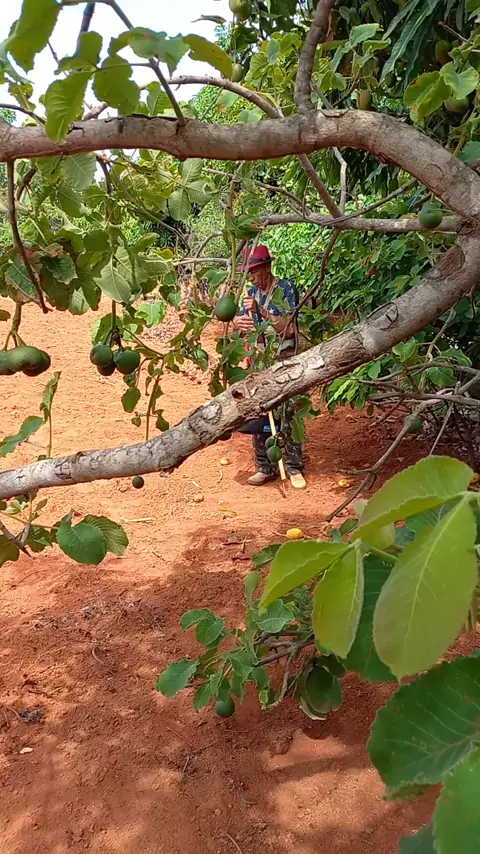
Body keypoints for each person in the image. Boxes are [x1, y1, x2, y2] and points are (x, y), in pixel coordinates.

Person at [232, 244, 306, 490]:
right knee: (260, 411)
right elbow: (240, 326)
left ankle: (293, 466)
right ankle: (265, 466)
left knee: (288, 411)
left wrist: (261, 311)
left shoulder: (286, 289)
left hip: (284, 359)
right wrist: (238, 323)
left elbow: (289, 328)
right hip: (259, 361)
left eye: (254, 271)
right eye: (248, 272)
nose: (251, 277)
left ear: (267, 267)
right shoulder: (250, 293)